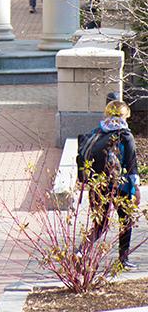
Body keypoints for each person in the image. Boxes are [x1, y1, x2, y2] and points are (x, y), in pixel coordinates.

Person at [83, 92, 140, 270]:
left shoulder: (97, 132)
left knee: (100, 224)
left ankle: (81, 252)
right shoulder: (126, 136)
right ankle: (123, 259)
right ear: (124, 116)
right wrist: (136, 189)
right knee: (126, 220)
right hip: (120, 186)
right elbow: (131, 166)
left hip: (98, 185)